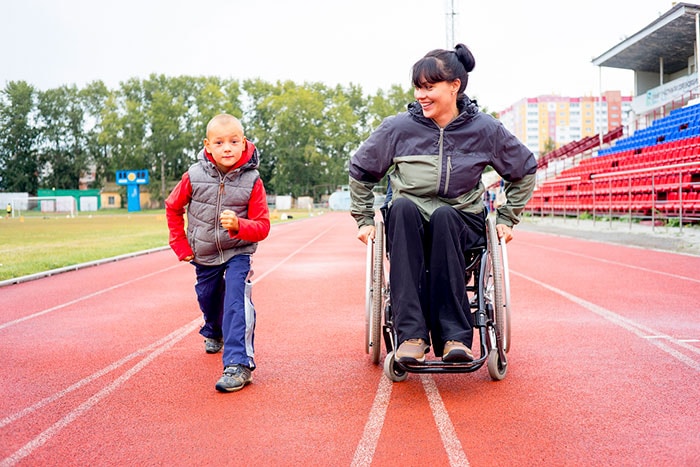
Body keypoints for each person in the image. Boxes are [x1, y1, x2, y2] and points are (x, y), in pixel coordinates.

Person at [349, 44, 537, 364]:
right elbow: (361, 171)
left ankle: (455, 338)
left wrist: (507, 216)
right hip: (410, 223)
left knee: (446, 216)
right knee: (403, 209)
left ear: (454, 87)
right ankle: (411, 336)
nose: (421, 95)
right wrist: (364, 218)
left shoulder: (485, 129)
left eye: (429, 87)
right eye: (418, 87)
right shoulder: (397, 128)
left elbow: (525, 170)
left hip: (461, 221)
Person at [166, 113, 270, 392]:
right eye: (220, 142)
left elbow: (262, 227)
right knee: (208, 298)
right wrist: (180, 245)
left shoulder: (252, 180)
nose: (227, 148)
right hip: (204, 252)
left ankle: (239, 364)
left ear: (243, 142)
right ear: (207, 145)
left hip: (239, 251)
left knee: (236, 299)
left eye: (234, 141)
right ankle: (213, 329)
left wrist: (239, 225)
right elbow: (173, 207)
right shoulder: (194, 175)